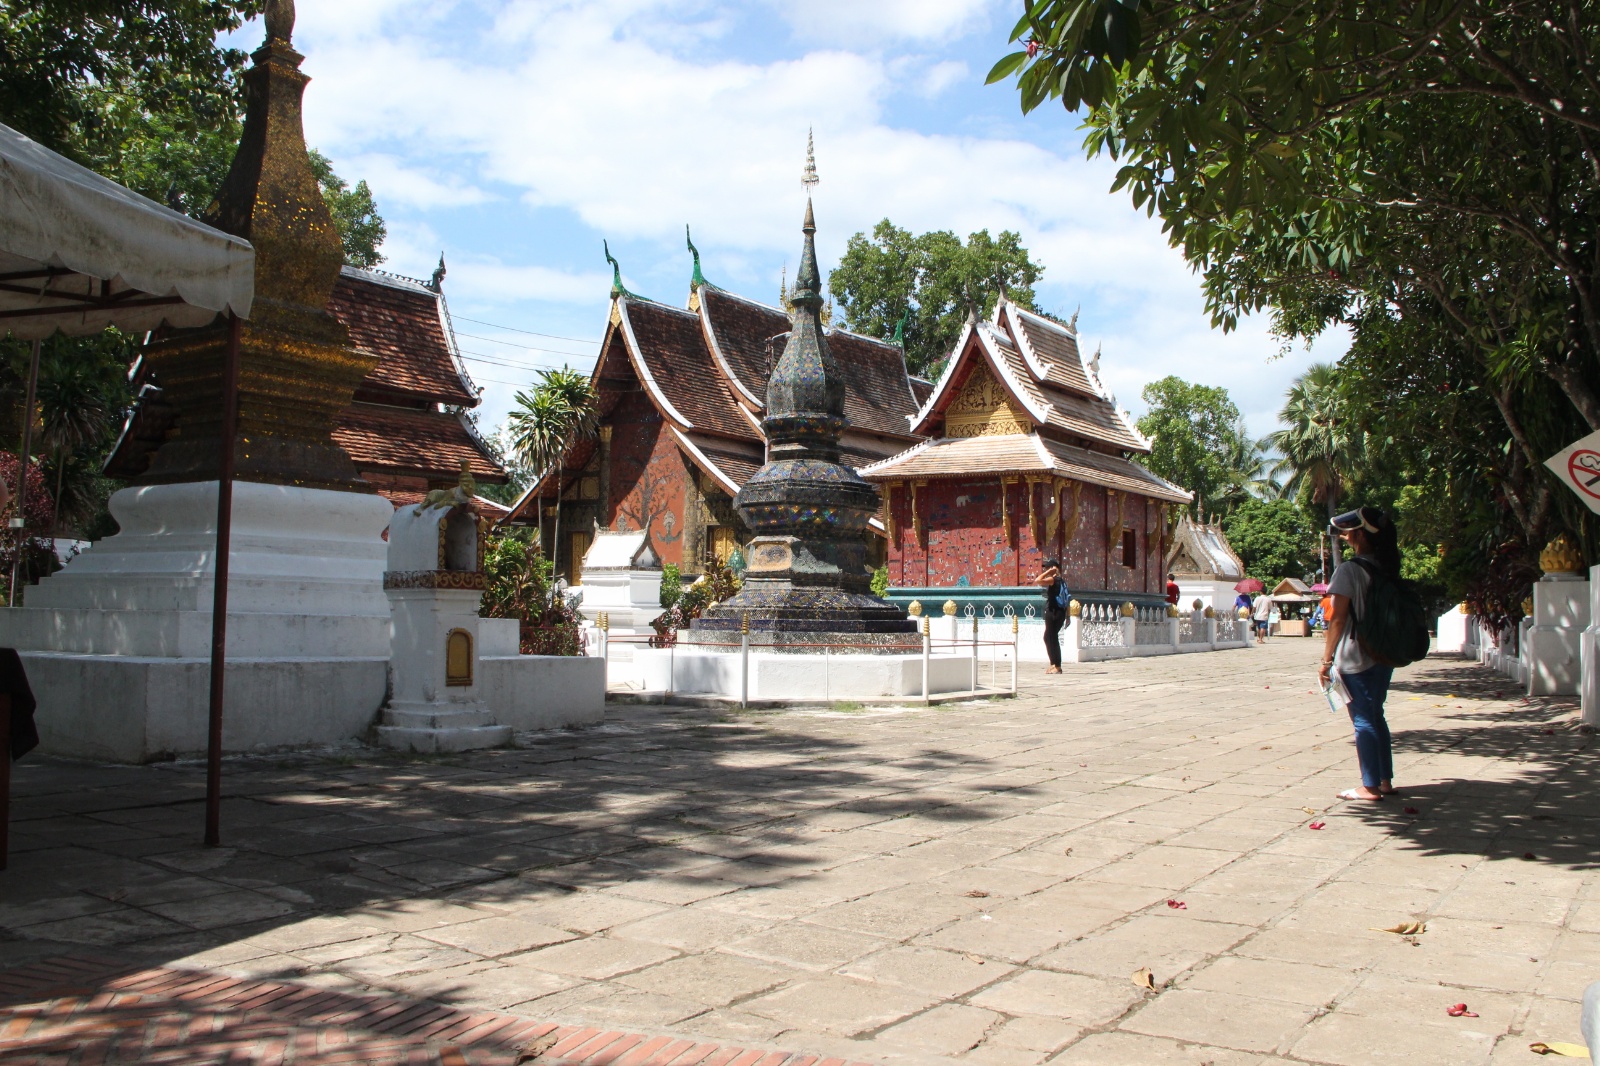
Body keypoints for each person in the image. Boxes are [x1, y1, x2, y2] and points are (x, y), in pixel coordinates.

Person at [1319, 505, 1402, 801]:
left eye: (1350, 531)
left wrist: (1326, 660)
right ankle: (1384, 780)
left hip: (1355, 655)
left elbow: (1337, 619)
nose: (1345, 535)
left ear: (1361, 535)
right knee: (1376, 715)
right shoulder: (1387, 567)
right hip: (1383, 652)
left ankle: (1369, 787)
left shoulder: (1349, 570)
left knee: (1363, 720)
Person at [1034, 557, 1067, 674]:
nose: (1046, 569)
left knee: (1051, 637)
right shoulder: (1061, 581)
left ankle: (1057, 666)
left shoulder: (1054, 580)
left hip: (1053, 612)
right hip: (1060, 612)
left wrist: (1049, 572)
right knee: (1049, 637)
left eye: (1047, 567)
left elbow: (1038, 580)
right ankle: (1054, 664)